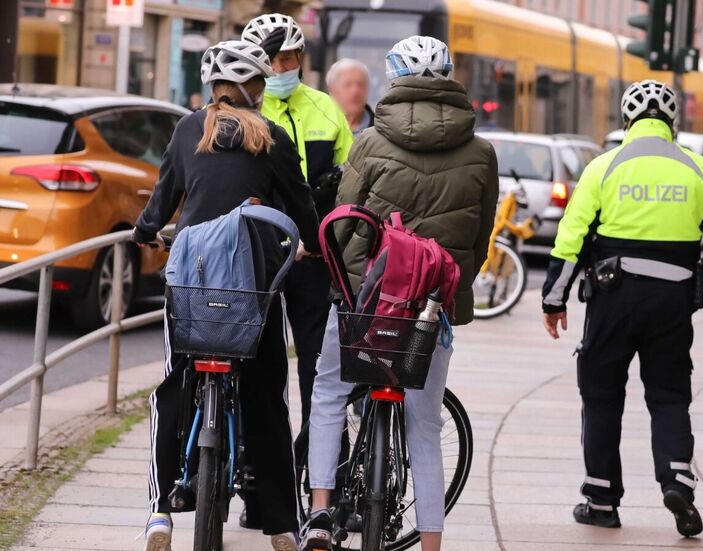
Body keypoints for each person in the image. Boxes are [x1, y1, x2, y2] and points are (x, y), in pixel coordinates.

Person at [540, 80, 703, 537]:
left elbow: (572, 236)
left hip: (612, 296)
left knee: (601, 396)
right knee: (669, 396)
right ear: (672, 123)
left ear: (627, 122)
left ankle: (601, 499)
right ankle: (677, 477)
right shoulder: (698, 168)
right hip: (673, 300)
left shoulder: (604, 166)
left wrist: (554, 297)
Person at [302, 35, 498, 551]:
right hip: (430, 309)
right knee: (425, 428)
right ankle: (430, 544)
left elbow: (344, 220)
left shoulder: (368, 141)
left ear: (393, 78)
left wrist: (340, 286)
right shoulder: (481, 151)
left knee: (327, 392)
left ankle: (320, 512)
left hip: (368, 301)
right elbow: (479, 238)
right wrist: (450, 294)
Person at [134, 39, 321, 551]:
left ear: (212, 87)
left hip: (191, 284)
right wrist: (312, 244)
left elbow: (163, 197)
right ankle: (283, 523)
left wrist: (146, 229)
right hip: (254, 288)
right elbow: (301, 205)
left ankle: (158, 514)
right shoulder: (273, 136)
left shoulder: (187, 129)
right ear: (254, 87)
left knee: (173, 387)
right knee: (268, 398)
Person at [241, 13, 354, 430]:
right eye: (272, 60)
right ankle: (261, 457)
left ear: (302, 58)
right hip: (259, 253)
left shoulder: (326, 108)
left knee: (316, 360)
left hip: (314, 251)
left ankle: (318, 451)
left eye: (289, 59)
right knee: (259, 358)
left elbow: (350, 182)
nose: (281, 69)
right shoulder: (244, 108)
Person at [327, 58, 374, 135]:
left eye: (360, 84)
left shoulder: (383, 131)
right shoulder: (315, 127)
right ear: (332, 90)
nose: (355, 91)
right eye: (347, 85)